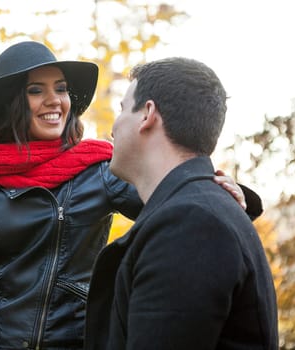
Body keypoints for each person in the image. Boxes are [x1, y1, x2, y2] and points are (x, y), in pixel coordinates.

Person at [0, 41, 262, 349]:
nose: (55, 100)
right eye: (36, 90)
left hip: (76, 342)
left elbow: (175, 202)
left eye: (61, 89)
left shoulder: (99, 171)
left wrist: (221, 192)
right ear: (9, 104)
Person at [84, 57, 278, 350]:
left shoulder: (189, 225)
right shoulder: (200, 211)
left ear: (147, 114)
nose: (113, 128)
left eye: (122, 109)